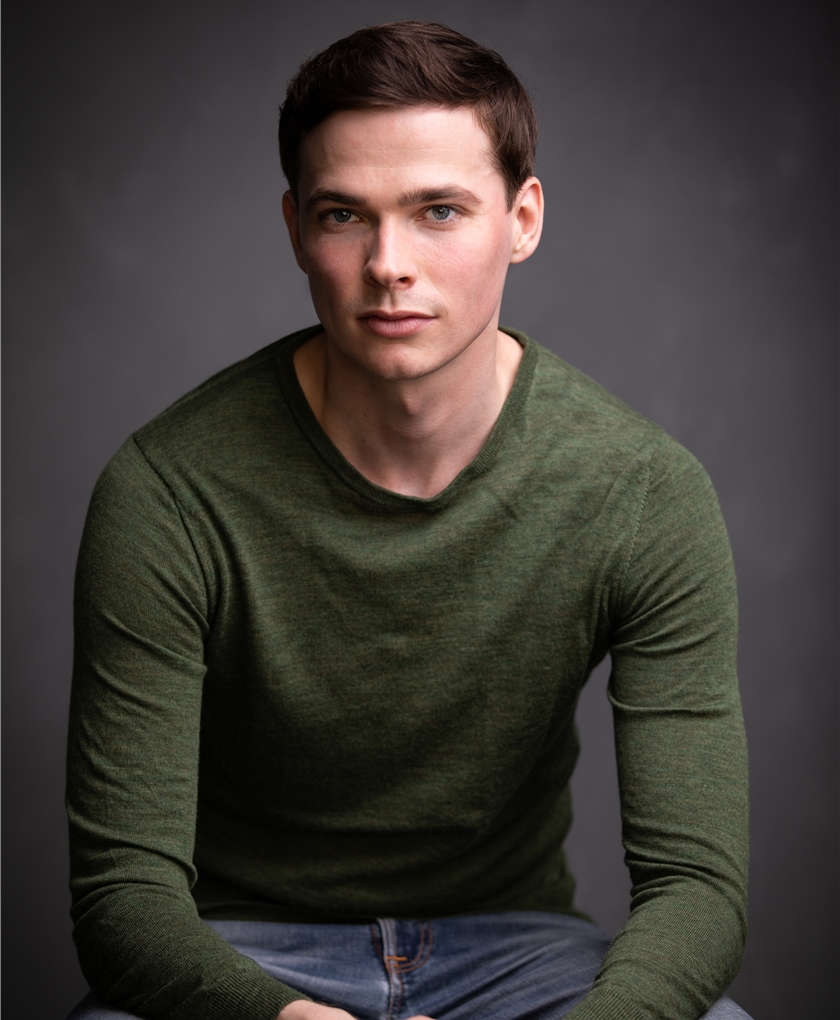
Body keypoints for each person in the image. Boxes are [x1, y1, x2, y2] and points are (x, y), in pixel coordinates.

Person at [65, 21, 751, 1020]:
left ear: (522, 219)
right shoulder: (169, 490)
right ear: (297, 228)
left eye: (439, 211)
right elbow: (123, 899)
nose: (389, 263)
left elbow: (697, 888)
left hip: (519, 952)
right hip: (247, 952)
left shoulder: (643, 493)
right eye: (345, 215)